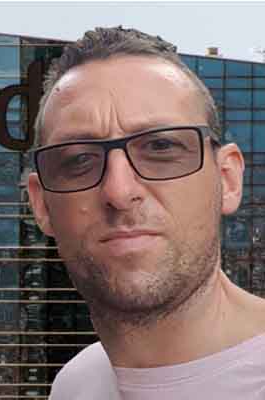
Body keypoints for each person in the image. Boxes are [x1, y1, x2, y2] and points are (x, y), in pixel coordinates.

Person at [26, 26, 265, 399]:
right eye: (79, 160)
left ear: (227, 180)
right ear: (41, 205)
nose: (119, 192)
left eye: (160, 147)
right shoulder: (76, 385)